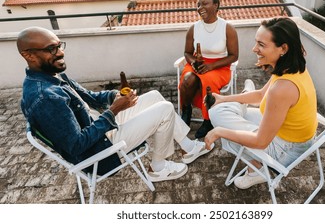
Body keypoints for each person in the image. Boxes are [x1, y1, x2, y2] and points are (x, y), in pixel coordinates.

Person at [17, 26, 214, 182]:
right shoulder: (45, 98)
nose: (60, 53)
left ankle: (187, 147)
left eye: (60, 45)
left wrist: (115, 96)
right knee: (165, 110)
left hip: (98, 129)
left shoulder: (53, 76)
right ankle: (158, 167)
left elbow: (91, 97)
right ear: (29, 55)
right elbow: (76, 146)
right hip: (99, 153)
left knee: (154, 96)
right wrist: (114, 110)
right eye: (52, 49)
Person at [204, 17, 318, 189]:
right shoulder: (290, 69)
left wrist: (220, 132)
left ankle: (258, 169)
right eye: (256, 42)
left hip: (285, 148)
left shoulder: (283, 88)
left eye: (261, 45)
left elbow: (260, 142)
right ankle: (239, 101)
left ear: (283, 48)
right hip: (285, 130)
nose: (254, 49)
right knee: (218, 110)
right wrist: (223, 98)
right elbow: (259, 97)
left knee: (220, 120)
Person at [179, 0, 239, 139]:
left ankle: (208, 120)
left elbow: (234, 55)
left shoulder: (227, 28)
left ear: (216, 5)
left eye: (205, 3)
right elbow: (187, 52)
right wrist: (193, 63)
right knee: (188, 80)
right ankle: (186, 110)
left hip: (219, 65)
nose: (200, 8)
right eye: (198, 4)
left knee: (208, 81)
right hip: (197, 62)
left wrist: (211, 66)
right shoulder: (194, 28)